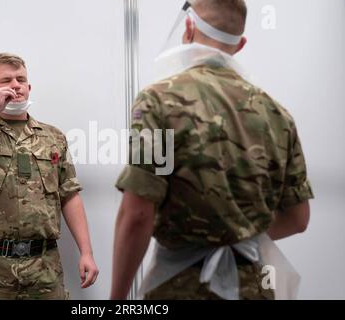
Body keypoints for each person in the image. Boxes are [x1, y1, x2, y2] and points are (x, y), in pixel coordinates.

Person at [111, 0, 314, 300]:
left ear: (189, 27)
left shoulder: (159, 100)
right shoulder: (276, 114)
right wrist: (235, 236)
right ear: (241, 44)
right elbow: (298, 218)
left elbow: (138, 213)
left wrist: (117, 300)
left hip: (182, 288)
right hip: (254, 288)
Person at [0, 53, 98, 299]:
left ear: (29, 87)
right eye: (6, 80)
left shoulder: (53, 137)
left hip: (44, 265)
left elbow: (69, 195)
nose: (15, 85)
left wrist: (87, 252)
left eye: (20, 79)